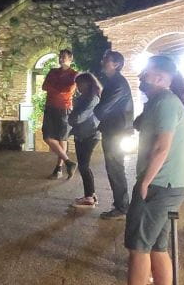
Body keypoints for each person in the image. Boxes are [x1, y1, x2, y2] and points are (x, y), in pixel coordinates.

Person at [93, 55, 184, 285]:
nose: (141, 78)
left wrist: (144, 182)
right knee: (157, 247)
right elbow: (141, 125)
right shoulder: (161, 103)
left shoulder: (165, 103)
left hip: (159, 185)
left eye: (147, 74)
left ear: (160, 78)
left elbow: (162, 147)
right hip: (172, 185)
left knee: (138, 247)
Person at [93, 50, 134, 219]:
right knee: (114, 167)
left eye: (106, 59)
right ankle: (121, 204)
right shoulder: (113, 82)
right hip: (115, 129)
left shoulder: (117, 83)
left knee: (115, 168)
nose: (103, 61)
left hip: (116, 131)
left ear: (116, 64)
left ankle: (122, 206)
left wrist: (96, 108)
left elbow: (102, 109)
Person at [42, 48, 78, 179]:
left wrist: (54, 88)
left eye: (64, 57)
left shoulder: (74, 74)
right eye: (60, 56)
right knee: (47, 137)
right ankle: (68, 162)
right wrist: (58, 89)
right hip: (50, 107)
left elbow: (68, 91)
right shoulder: (52, 72)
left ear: (70, 59)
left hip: (64, 109)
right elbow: (44, 86)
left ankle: (59, 168)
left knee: (62, 138)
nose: (61, 59)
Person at [68, 72, 102, 207]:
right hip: (81, 134)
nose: (77, 87)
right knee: (83, 166)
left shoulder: (92, 98)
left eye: (79, 84)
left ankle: (89, 196)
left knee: (84, 166)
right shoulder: (84, 97)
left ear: (88, 83)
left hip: (89, 135)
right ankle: (90, 194)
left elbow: (77, 118)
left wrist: (71, 117)